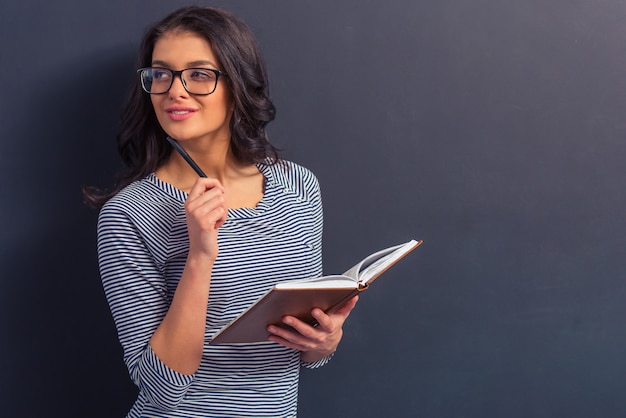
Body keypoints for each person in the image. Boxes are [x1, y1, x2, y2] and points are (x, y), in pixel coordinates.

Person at [83, 5, 358, 417]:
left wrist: (325, 343)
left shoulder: (299, 187)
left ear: (238, 85)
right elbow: (160, 387)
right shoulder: (130, 214)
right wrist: (200, 255)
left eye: (198, 74)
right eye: (161, 74)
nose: (175, 90)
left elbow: (305, 343)